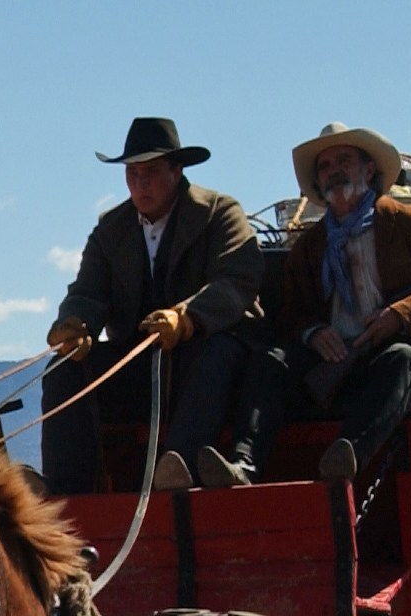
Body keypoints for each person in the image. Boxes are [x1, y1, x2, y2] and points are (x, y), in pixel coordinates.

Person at [198, 122, 411, 487]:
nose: (334, 171)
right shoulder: (310, 247)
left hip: (395, 356)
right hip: (334, 365)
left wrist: (399, 316)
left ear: (369, 170)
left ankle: (346, 459)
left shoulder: (410, 225)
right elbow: (292, 314)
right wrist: (314, 333)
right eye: (325, 166)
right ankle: (243, 466)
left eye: (344, 160)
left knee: (403, 360)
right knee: (270, 364)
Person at [43, 116, 262, 494]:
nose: (140, 183)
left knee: (215, 354)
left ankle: (178, 466)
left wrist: (187, 317)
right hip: (142, 364)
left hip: (211, 361)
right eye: (133, 173)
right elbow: (87, 291)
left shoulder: (220, 213)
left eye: (151, 172)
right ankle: (65, 489)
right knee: (62, 370)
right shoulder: (110, 230)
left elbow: (237, 281)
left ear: (177, 171)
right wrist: (74, 323)